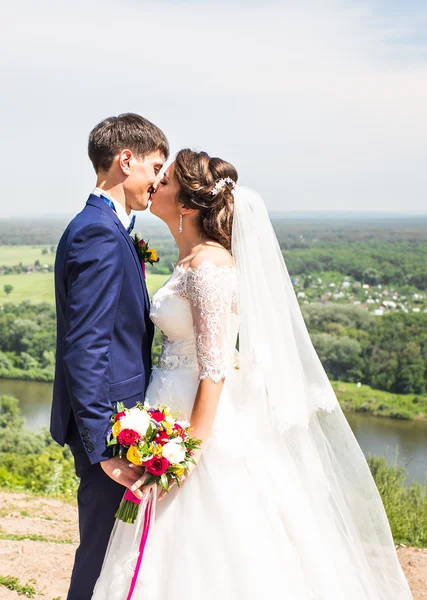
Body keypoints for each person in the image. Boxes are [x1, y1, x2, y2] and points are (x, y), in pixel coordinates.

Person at [92, 149, 413, 599]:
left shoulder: (210, 266)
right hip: (168, 404)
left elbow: (215, 368)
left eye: (163, 182)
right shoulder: (189, 262)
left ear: (185, 205)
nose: (154, 185)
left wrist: (188, 454)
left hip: (197, 422)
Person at [50, 113, 169, 600]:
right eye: (155, 166)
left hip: (120, 423)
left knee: (115, 555)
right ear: (127, 161)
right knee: (100, 557)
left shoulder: (108, 227)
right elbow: (86, 348)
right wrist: (104, 450)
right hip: (109, 431)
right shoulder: (98, 233)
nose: (159, 180)